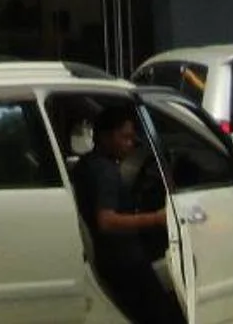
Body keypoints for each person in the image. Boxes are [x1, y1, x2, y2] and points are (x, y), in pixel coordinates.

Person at [75, 102, 182, 324]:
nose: (131, 143)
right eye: (125, 137)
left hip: (107, 257)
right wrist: (157, 218)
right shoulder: (107, 172)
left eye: (132, 138)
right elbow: (107, 221)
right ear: (105, 137)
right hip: (124, 261)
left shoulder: (86, 165)